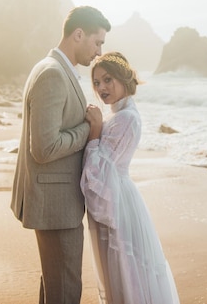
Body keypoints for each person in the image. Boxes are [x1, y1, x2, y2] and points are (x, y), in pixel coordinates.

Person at [11, 6, 111, 304]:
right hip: (55, 206)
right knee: (65, 291)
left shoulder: (52, 67)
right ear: (78, 34)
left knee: (56, 287)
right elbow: (44, 147)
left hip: (55, 202)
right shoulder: (53, 74)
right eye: (97, 42)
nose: (99, 51)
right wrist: (89, 128)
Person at [81, 52, 180, 304]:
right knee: (125, 270)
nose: (101, 87)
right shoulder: (118, 115)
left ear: (123, 78)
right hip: (119, 195)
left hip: (117, 202)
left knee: (125, 269)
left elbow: (100, 173)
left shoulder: (124, 118)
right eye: (96, 83)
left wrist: (94, 131)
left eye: (107, 79)